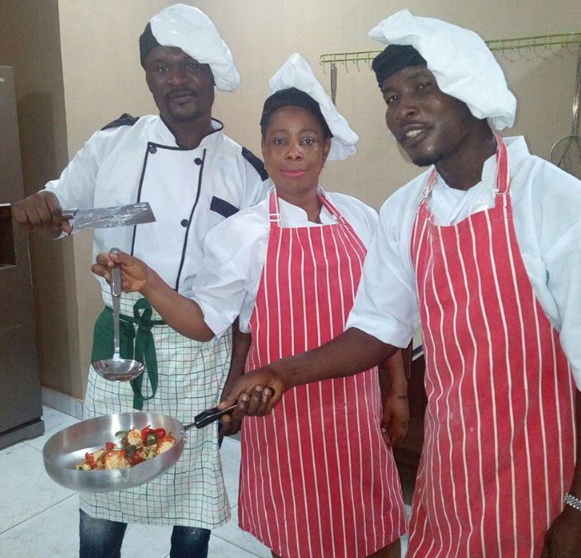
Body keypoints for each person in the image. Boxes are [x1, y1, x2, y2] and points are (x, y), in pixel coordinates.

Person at [217, 10, 581, 558]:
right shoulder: (407, 210)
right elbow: (378, 327)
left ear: (471, 89)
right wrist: (279, 372)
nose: (402, 108)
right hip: (450, 467)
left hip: (546, 476)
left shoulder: (553, 202)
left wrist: (577, 507)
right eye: (391, 96)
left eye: (422, 87)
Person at [92, 53, 409, 558]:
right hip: (282, 411)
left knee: (376, 531)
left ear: (326, 148)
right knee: (299, 537)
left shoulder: (361, 219)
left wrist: (398, 389)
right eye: (279, 141)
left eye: (307, 140)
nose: (293, 152)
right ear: (264, 149)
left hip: (355, 408)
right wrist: (150, 283)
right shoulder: (242, 234)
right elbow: (208, 322)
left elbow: (385, 316)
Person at [13, 4, 268, 558]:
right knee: (103, 490)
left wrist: (237, 377)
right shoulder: (114, 142)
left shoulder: (246, 172)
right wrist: (42, 205)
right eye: (161, 66)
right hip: (121, 344)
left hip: (201, 352)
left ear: (212, 74)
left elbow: (251, 297)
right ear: (148, 76)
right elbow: (63, 200)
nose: (176, 79)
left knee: (191, 502)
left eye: (190, 65)